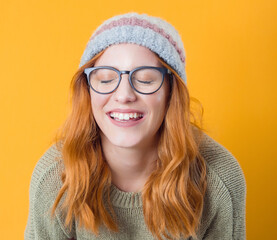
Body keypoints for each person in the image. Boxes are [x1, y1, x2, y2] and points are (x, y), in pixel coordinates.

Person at [24, 12, 246, 240]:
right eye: (106, 79)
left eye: (146, 80)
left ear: (172, 93)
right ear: (88, 90)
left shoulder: (219, 180)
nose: (124, 95)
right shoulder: (55, 180)